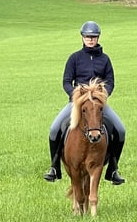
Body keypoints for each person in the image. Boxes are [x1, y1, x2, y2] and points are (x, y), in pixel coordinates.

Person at [43, 21, 126, 185]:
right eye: (88, 37)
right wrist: (75, 95)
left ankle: (113, 170)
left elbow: (110, 82)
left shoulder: (105, 59)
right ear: (82, 37)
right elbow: (67, 81)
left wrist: (102, 95)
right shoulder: (74, 58)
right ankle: (54, 168)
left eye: (93, 37)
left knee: (120, 130)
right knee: (54, 129)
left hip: (97, 105)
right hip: (77, 104)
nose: (90, 39)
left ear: (98, 38)